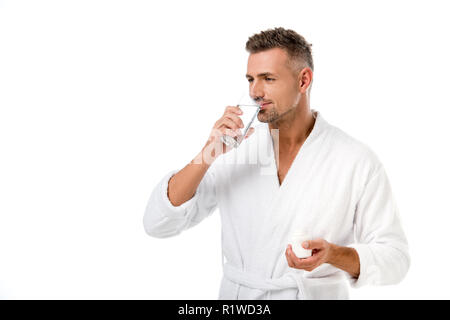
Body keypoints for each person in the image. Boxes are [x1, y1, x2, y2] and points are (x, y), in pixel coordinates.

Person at [143, 27, 410, 299]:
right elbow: (157, 223)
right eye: (250, 79)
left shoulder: (355, 159)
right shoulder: (234, 148)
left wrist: (334, 254)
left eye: (268, 78)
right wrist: (207, 154)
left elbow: (396, 259)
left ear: (303, 80)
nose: (255, 92)